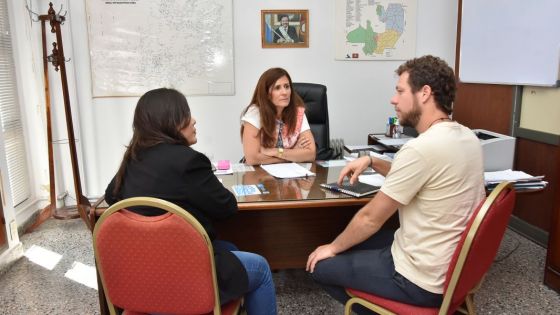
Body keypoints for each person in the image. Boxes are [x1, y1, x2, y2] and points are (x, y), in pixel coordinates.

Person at [306, 55, 485, 311]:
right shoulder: (466, 137)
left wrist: (332, 247)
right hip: (454, 267)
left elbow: (370, 218)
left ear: (424, 93)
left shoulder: (421, 149)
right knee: (356, 242)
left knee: (321, 265)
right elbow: (422, 178)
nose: (393, 99)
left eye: (400, 91)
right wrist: (373, 161)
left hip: (420, 280)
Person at [105, 88, 277, 315]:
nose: (194, 120)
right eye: (187, 115)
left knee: (230, 249)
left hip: (141, 275)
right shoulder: (189, 162)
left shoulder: (134, 157)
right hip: (181, 276)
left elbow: (111, 196)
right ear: (171, 122)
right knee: (261, 268)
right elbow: (226, 207)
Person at [240, 67, 316, 165]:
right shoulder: (255, 113)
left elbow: (311, 154)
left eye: (287, 86)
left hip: (290, 173)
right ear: (266, 93)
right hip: (259, 173)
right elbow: (252, 159)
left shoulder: (298, 112)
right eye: (277, 88)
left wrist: (276, 152)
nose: (284, 92)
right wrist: (293, 155)